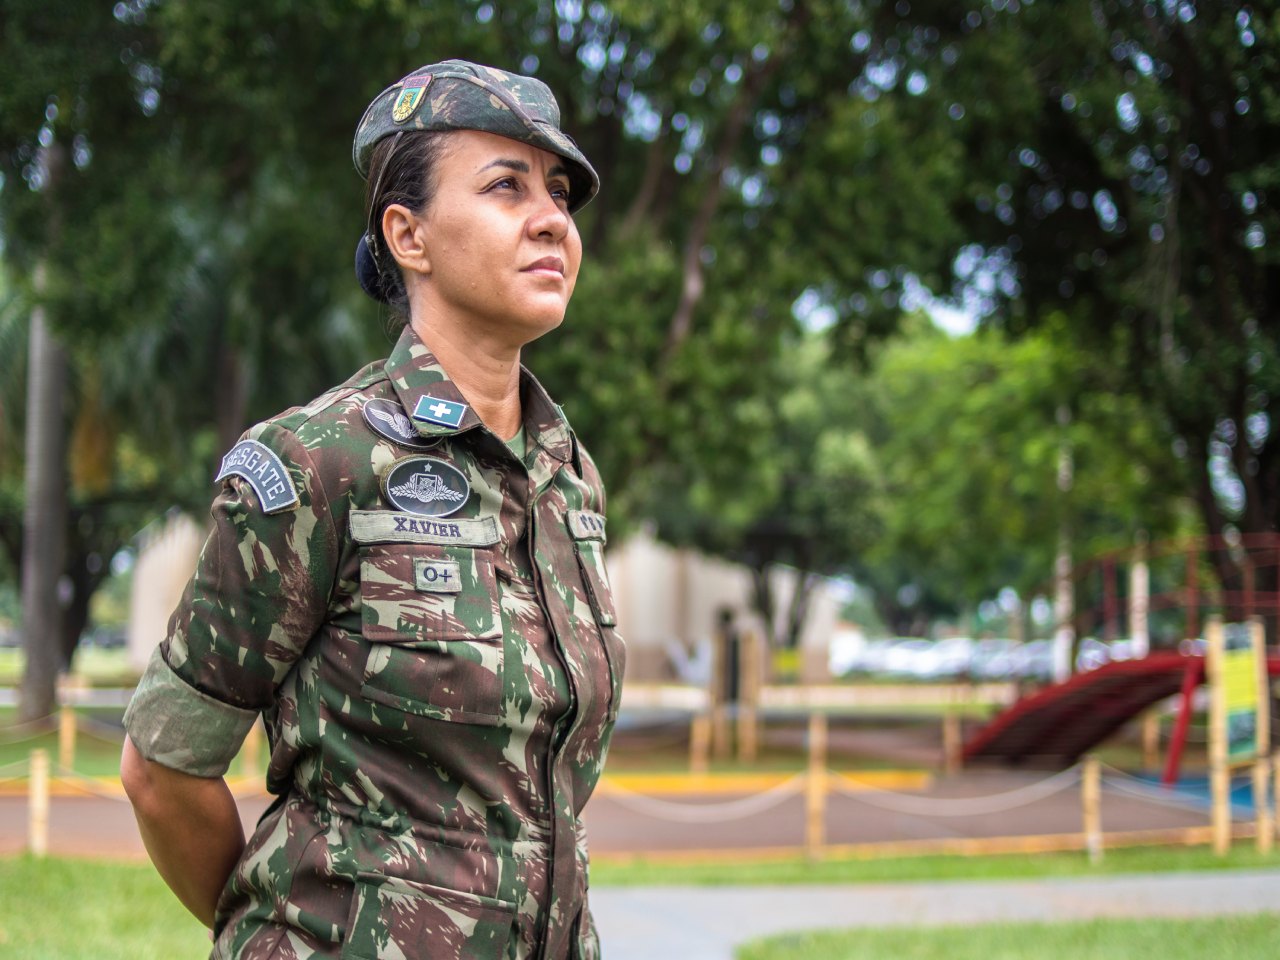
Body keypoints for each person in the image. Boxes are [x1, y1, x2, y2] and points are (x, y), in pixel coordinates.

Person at [120, 59, 625, 960]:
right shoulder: (318, 461)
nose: (552, 219)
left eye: (558, 193)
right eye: (506, 187)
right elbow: (162, 767)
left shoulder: (566, 474)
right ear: (408, 235)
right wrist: (292, 932)